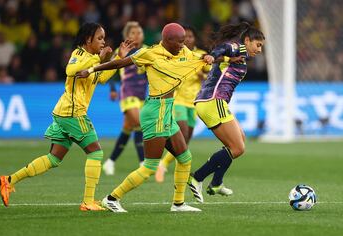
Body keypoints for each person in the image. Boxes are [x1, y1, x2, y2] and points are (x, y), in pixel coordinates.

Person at [76, 23, 214, 212]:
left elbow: (196, 57)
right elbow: (119, 63)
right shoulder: (149, 53)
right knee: (150, 166)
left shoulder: (183, 52)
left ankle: (178, 204)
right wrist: (92, 70)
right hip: (155, 112)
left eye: (184, 42)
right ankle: (111, 198)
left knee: (185, 158)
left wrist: (206, 57)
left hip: (167, 111)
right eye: (180, 42)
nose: (183, 45)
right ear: (167, 41)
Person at [0, 22, 134, 211]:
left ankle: (9, 180)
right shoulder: (78, 55)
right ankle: (88, 202)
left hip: (65, 113)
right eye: (100, 38)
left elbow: (100, 77)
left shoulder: (91, 58)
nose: (103, 42)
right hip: (73, 113)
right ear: (88, 40)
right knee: (96, 152)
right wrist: (97, 59)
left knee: (54, 159)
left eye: (104, 38)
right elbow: (70, 71)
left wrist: (118, 58)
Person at [188, 22, 265, 203]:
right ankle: (197, 177)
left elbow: (224, 55)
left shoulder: (241, 56)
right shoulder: (237, 48)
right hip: (213, 101)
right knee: (237, 148)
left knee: (240, 140)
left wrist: (220, 58)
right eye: (258, 44)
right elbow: (223, 48)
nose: (260, 50)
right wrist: (212, 55)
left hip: (212, 102)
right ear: (247, 40)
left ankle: (216, 182)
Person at [155, 25, 211, 183]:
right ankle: (166, 165)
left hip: (194, 103)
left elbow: (210, 76)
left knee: (185, 141)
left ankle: (164, 163)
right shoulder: (176, 55)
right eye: (184, 37)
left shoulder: (201, 56)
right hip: (178, 101)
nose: (187, 39)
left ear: (195, 39)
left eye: (191, 36)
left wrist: (202, 75)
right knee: (183, 134)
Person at [103, 21, 148, 175]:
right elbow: (109, 69)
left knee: (128, 128)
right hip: (128, 93)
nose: (137, 35)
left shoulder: (147, 50)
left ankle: (110, 162)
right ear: (127, 36)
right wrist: (113, 89)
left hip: (143, 96)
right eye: (133, 33)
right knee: (140, 124)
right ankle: (144, 162)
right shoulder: (121, 50)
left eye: (139, 32)